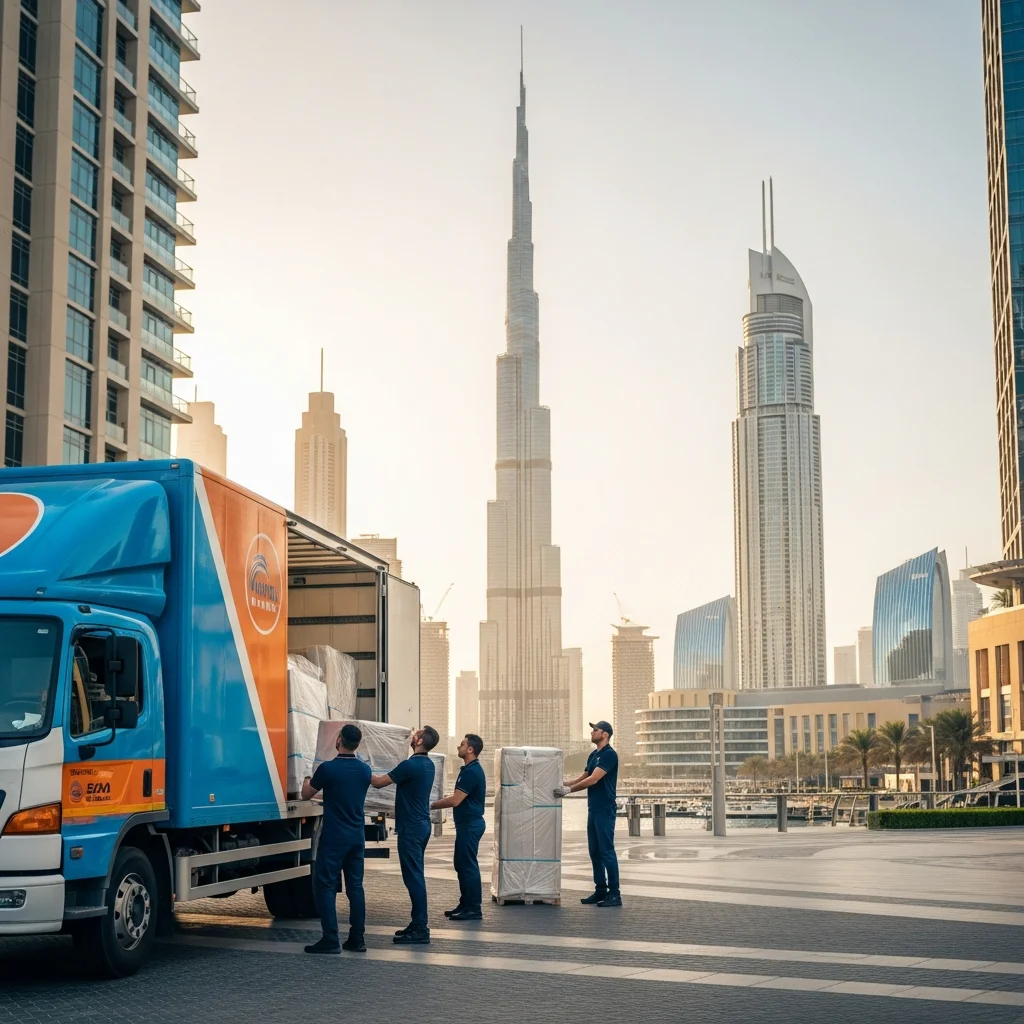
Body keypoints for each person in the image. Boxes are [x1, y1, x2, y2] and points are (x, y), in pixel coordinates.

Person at [300, 722, 371, 954]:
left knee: (326, 887)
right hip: (356, 837)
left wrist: (306, 777)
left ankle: (330, 939)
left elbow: (306, 794)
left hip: (333, 837)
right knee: (355, 888)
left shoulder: (328, 769)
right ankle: (357, 939)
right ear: (357, 744)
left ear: (339, 740)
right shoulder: (364, 770)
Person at [371, 725, 439, 944]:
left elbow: (380, 783)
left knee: (414, 877)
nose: (412, 735)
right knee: (414, 875)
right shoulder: (428, 764)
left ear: (419, 741)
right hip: (420, 825)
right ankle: (416, 923)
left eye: (415, 733)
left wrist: (358, 768)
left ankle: (420, 928)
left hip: (412, 828)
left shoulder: (411, 765)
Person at [554, 720, 620, 907]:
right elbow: (582, 777)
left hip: (605, 808)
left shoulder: (609, 755)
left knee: (606, 851)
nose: (592, 732)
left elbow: (593, 780)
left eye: (595, 730)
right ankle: (600, 891)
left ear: (605, 734)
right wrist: (562, 783)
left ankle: (614, 894)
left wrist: (569, 791)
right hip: (594, 808)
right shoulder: (593, 755)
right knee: (594, 852)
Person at [431, 733, 486, 921]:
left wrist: (429, 804)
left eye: (462, 744)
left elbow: (455, 800)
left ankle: (474, 908)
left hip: (471, 824)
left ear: (470, 749)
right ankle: (465, 903)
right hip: (466, 824)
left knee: (468, 865)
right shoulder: (468, 769)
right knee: (461, 864)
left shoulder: (472, 771)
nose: (458, 747)